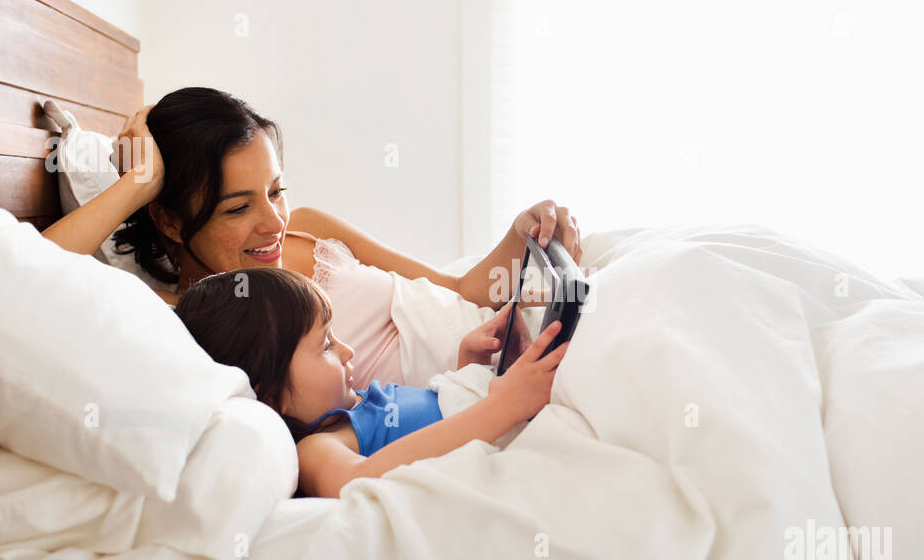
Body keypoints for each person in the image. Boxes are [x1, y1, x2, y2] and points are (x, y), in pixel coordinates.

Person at [41, 87, 583, 385]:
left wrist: (522, 234)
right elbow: (24, 272)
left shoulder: (310, 230)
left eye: (276, 191)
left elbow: (460, 290)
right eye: (238, 207)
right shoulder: (183, 321)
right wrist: (139, 184)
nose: (274, 223)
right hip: (487, 387)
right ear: (170, 220)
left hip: (510, 334)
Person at [175, 268, 569, 498]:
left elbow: (435, 419)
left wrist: (468, 366)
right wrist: (501, 407)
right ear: (269, 392)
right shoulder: (317, 449)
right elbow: (357, 481)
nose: (347, 351)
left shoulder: (354, 407)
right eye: (325, 345)